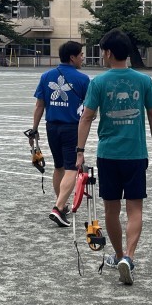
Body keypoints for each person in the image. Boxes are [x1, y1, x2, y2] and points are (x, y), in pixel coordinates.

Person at [75, 28, 152, 286]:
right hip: (135, 154)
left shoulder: (99, 83)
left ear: (108, 53)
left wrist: (80, 152)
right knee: (135, 208)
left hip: (108, 155)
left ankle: (117, 254)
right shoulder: (144, 81)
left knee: (111, 209)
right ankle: (129, 257)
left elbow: (87, 118)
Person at [30, 41, 90, 227]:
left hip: (51, 127)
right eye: (81, 54)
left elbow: (39, 105)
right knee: (72, 168)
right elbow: (90, 110)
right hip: (72, 128)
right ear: (72, 57)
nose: (83, 58)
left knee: (59, 166)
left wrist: (34, 129)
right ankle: (58, 207)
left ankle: (61, 205)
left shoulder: (46, 76)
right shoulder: (83, 79)